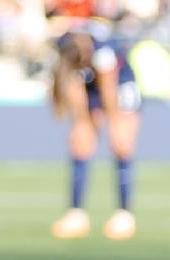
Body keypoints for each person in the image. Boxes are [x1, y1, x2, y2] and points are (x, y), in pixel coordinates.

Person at [48, 25, 140, 241]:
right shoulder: (66, 46)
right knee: (80, 143)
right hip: (90, 85)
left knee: (121, 144)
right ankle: (76, 214)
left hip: (120, 85)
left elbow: (109, 90)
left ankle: (124, 215)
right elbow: (71, 84)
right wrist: (81, 121)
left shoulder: (104, 52)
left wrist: (115, 122)